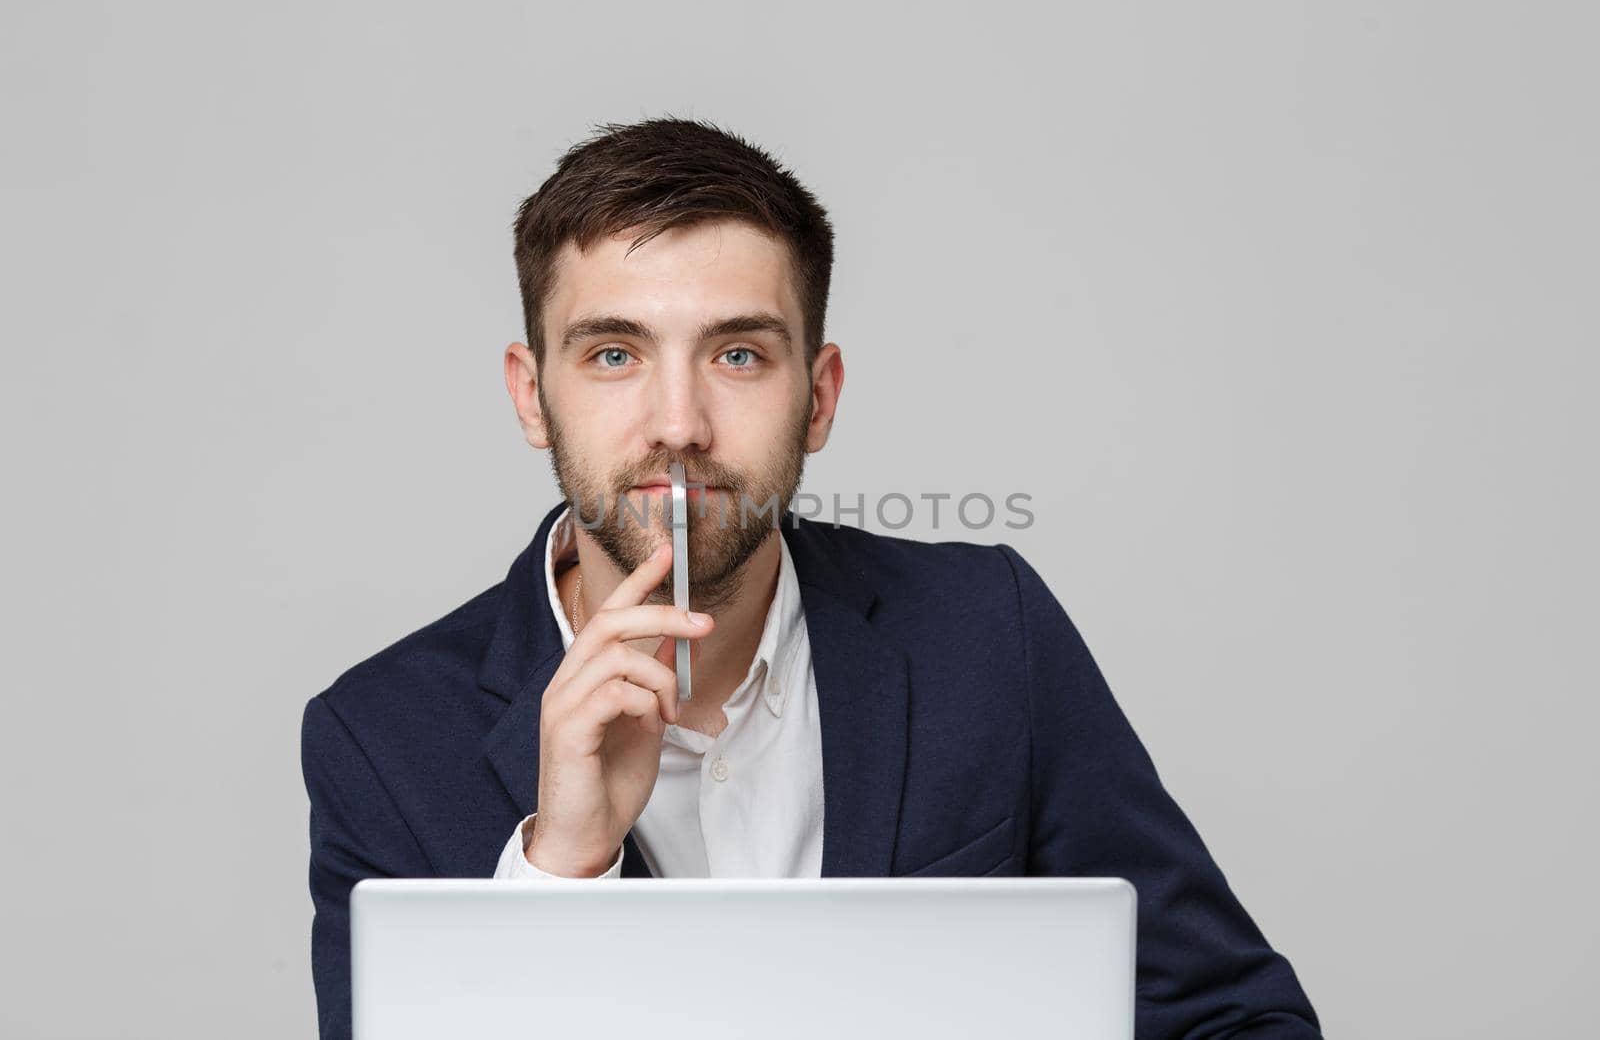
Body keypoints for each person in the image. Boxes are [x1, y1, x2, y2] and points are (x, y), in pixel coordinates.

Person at [300, 116, 1322, 1039]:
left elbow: (1235, 1018)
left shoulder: (985, 632)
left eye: (738, 355)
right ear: (533, 397)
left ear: (818, 398)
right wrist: (560, 869)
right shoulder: (379, 736)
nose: (678, 424)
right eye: (614, 353)